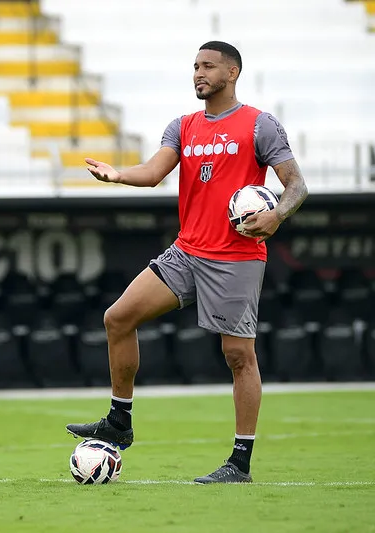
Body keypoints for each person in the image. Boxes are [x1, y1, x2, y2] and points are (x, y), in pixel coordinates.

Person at [65, 41, 309, 483]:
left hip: (236, 257)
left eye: (208, 66)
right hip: (186, 252)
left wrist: (277, 215)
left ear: (232, 73)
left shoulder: (260, 124)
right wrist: (119, 175)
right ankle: (119, 421)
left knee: (238, 355)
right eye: (195, 66)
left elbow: (296, 185)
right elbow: (154, 172)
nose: (199, 73)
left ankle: (239, 463)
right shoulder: (183, 126)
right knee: (118, 318)